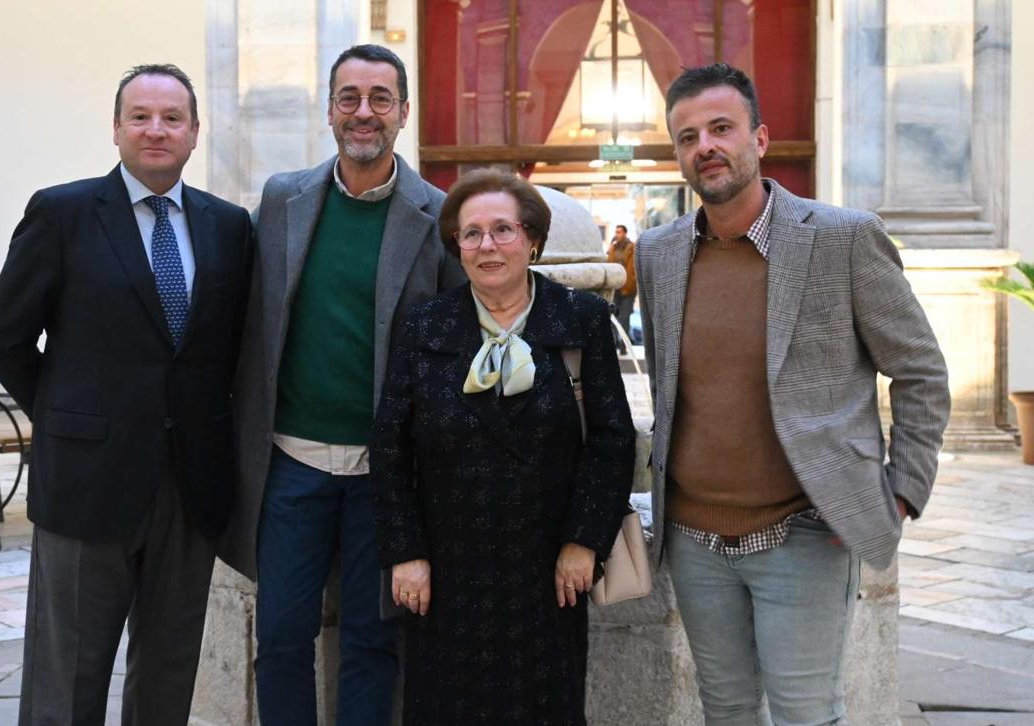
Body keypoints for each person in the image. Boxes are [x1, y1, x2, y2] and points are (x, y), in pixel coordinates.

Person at [637, 63, 950, 725]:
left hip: (804, 533)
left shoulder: (843, 238)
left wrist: (897, 491)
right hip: (693, 540)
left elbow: (920, 370)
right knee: (725, 711)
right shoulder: (658, 252)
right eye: (688, 137)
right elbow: (668, 386)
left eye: (721, 128)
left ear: (760, 138)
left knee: (807, 715)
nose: (705, 147)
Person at [0, 63, 254, 725]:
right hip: (86, 485)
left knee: (167, 678)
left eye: (172, 118)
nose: (156, 130)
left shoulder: (228, 226)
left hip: (190, 490)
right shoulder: (63, 213)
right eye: (141, 116)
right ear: (116, 128)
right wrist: (65, 417)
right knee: (66, 681)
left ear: (194, 133)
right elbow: (2, 335)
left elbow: (231, 351)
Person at [216, 44, 464, 726]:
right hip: (289, 467)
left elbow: (457, 349)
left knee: (373, 643)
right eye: (349, 97)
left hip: (385, 477)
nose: (364, 112)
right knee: (280, 640)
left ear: (403, 111)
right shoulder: (282, 200)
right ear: (329, 110)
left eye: (380, 98)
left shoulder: (437, 215)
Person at [370, 168, 636, 726]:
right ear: (457, 247)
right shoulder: (426, 324)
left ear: (532, 239)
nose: (487, 245)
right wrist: (405, 551)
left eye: (502, 230)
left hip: (548, 573)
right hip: (446, 576)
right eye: (471, 234)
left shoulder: (580, 318)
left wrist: (584, 542)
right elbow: (391, 446)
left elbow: (611, 439)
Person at [607, 224, 637, 338]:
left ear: (625, 233)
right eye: (616, 232)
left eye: (619, 232)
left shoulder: (632, 247)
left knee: (625, 318)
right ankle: (615, 342)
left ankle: (624, 344)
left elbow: (634, 267)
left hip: (628, 288)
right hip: (615, 288)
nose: (617, 234)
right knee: (613, 317)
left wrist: (633, 281)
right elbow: (608, 263)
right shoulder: (613, 248)